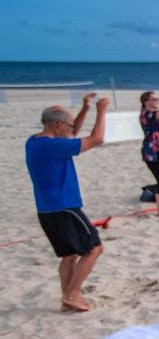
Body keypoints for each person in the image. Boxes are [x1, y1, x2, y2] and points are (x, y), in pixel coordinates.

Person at [25, 94, 110, 312]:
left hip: (46, 209)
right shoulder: (53, 147)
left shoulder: (34, 141)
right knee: (94, 249)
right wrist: (101, 111)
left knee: (69, 254)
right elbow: (96, 139)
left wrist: (85, 108)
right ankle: (72, 294)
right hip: (64, 207)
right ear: (58, 124)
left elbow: (72, 134)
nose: (72, 129)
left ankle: (67, 298)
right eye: (69, 124)